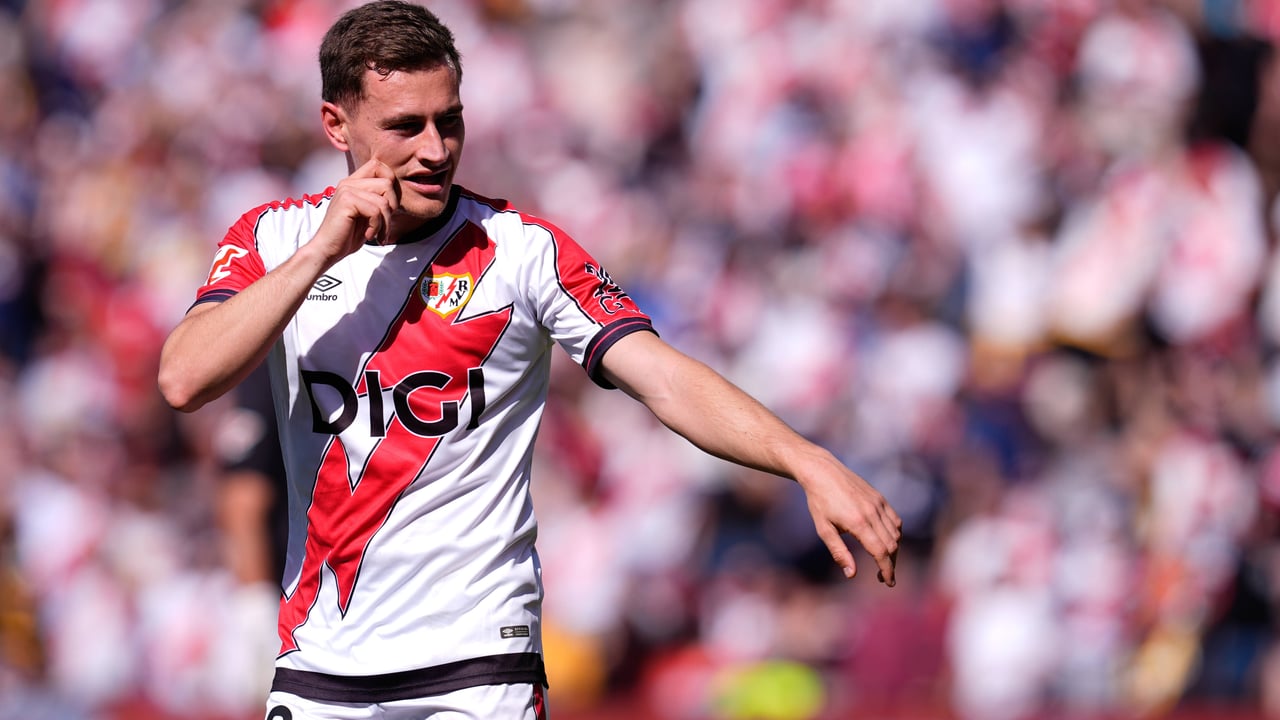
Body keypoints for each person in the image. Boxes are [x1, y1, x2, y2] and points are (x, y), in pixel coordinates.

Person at [156, 2, 902, 718]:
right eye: (405, 127)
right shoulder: (273, 240)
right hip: (320, 664)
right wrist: (323, 251)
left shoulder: (521, 252)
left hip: (478, 665)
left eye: (449, 121)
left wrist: (805, 459)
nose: (435, 150)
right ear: (336, 124)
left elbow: (664, 378)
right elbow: (184, 377)